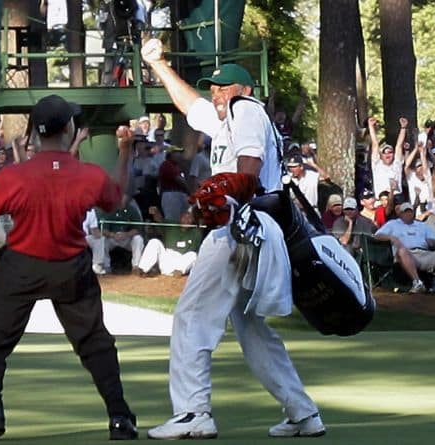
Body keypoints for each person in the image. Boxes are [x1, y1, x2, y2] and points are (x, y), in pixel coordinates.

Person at [142, 39, 324, 439]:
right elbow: (190, 105)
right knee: (251, 327)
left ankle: (193, 412)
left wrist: (229, 191)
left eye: (225, 87)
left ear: (245, 91)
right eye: (214, 87)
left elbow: (250, 168)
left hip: (240, 227)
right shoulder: (227, 117)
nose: (217, 93)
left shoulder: (247, 111)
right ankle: (302, 412)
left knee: (192, 316)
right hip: (256, 231)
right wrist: (159, 65)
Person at [0, 95, 138, 440]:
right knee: (95, 343)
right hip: (72, 269)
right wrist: (126, 152)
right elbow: (117, 199)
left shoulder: (15, 175)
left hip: (21, 266)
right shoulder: (88, 174)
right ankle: (119, 416)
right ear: (69, 128)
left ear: (33, 135)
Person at [374, 202, 435, 296]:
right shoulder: (392, 224)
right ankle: (417, 283)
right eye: (405, 212)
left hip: (424, 253)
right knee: (402, 251)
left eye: (410, 211)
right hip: (405, 254)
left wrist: (432, 242)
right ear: (400, 214)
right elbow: (377, 235)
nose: (408, 214)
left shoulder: (423, 225)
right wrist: (391, 238)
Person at [138, 208, 201, 276]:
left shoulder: (196, 233)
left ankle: (178, 272)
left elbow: (197, 253)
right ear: (180, 218)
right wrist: (156, 211)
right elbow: (159, 219)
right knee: (154, 242)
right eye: (184, 217)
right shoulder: (171, 225)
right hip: (167, 260)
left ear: (193, 220)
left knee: (193, 255)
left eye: (190, 218)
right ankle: (143, 270)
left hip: (180, 263)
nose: (186, 220)